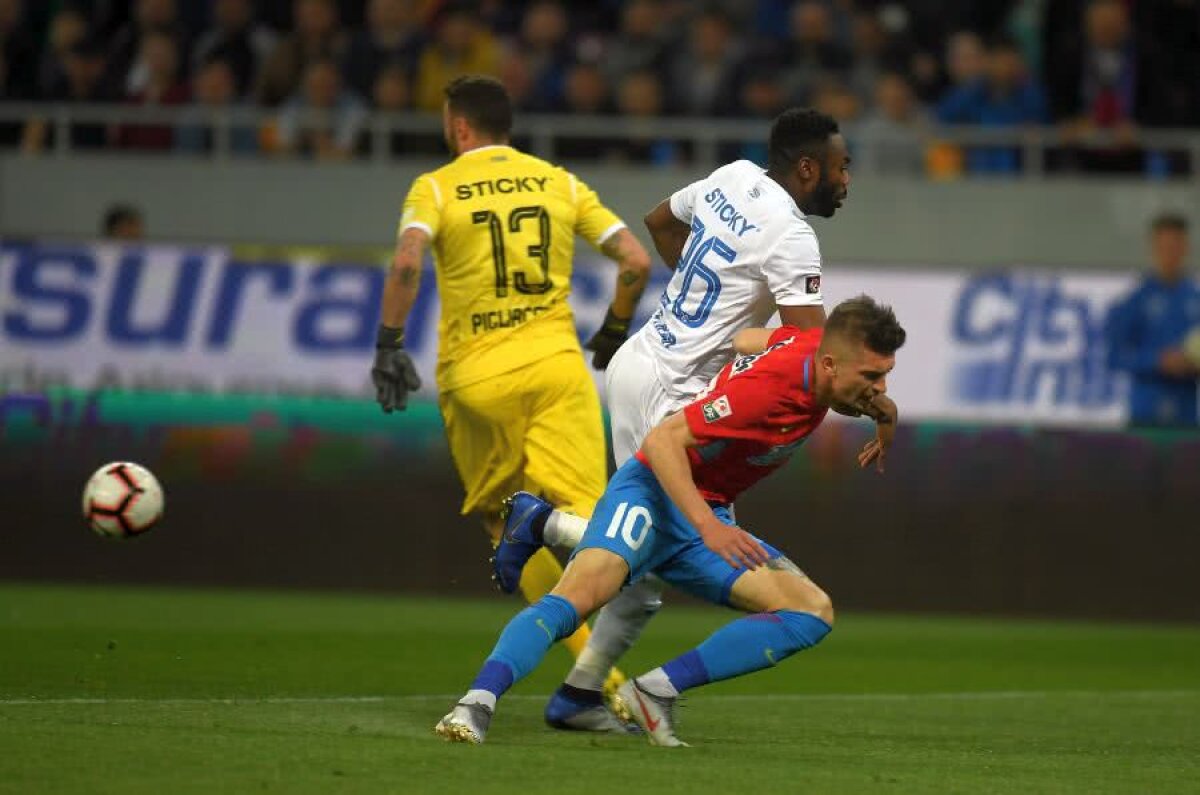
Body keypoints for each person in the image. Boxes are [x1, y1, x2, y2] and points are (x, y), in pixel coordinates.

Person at [492, 107, 887, 734]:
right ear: (807, 168)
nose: (847, 181)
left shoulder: (731, 177)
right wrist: (868, 405)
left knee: (639, 561)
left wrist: (698, 312)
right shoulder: (793, 237)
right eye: (841, 168)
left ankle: (578, 692)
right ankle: (546, 527)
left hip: (642, 358)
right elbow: (816, 359)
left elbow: (657, 221)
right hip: (674, 389)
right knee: (646, 555)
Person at [436, 296, 906, 745]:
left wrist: (883, 417)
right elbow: (663, 441)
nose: (880, 390)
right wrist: (709, 526)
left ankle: (652, 690)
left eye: (885, 376)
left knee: (811, 611)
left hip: (705, 508)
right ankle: (473, 707)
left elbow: (745, 340)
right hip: (652, 495)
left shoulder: (810, 346)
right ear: (829, 364)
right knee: (575, 601)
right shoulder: (767, 392)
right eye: (871, 376)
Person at [369, 75, 653, 721]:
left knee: (505, 525)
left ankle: (598, 686)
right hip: (558, 371)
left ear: (458, 127)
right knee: (593, 530)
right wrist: (612, 329)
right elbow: (635, 260)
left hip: (476, 380)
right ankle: (599, 673)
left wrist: (389, 344)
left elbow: (408, 262)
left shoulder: (436, 186)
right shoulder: (559, 181)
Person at [1105, 214, 1200, 428]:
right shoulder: (1133, 302)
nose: (1170, 254)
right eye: (1164, 247)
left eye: (1175, 247)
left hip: (1187, 416)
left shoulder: (1195, 299)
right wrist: (1157, 361)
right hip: (1145, 414)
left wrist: (1193, 363)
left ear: (1186, 248)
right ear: (1153, 248)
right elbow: (1114, 356)